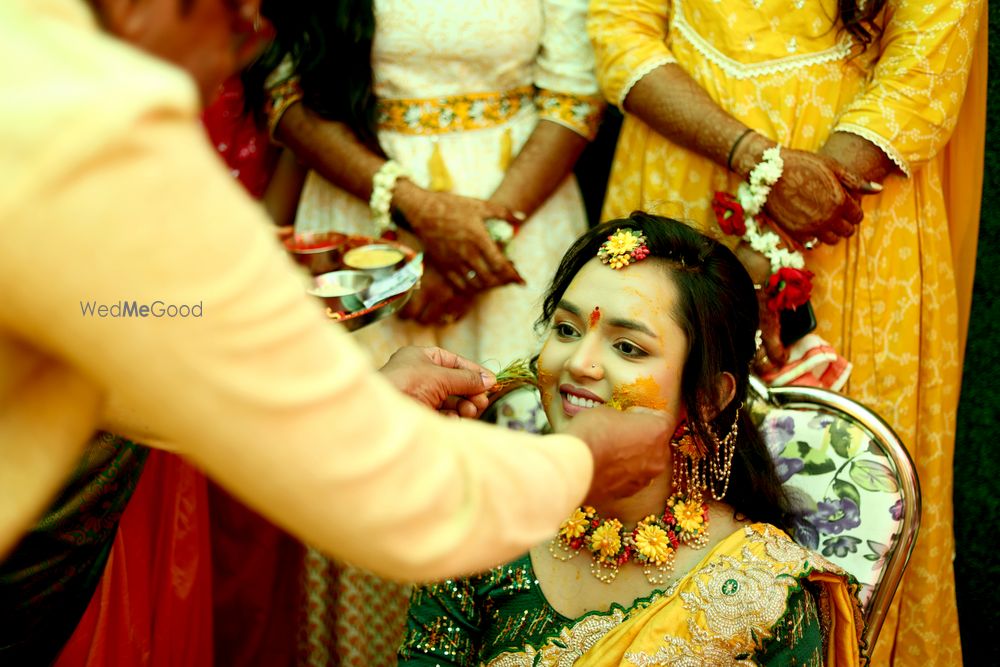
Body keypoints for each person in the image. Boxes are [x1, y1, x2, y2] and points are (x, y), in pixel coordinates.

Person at [0, 0, 678, 599]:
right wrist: (580, 463)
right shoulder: (87, 134)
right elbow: (392, 496)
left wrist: (355, 393)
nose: (246, 51)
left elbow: (130, 320)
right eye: (239, 20)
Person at [587, 1, 986, 663]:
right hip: (682, 174)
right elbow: (617, 26)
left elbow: (925, 68)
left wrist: (769, 240)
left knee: (850, 498)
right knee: (652, 479)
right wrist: (755, 158)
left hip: (852, 213)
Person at [243, 2, 605, 662]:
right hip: (364, 221)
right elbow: (284, 90)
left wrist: (478, 238)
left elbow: (575, 93)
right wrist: (415, 215)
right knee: (370, 460)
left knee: (523, 453)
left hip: (517, 227)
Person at [398, 214, 865, 666]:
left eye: (628, 347)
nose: (579, 362)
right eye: (566, 329)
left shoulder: (764, 589)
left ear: (707, 396)